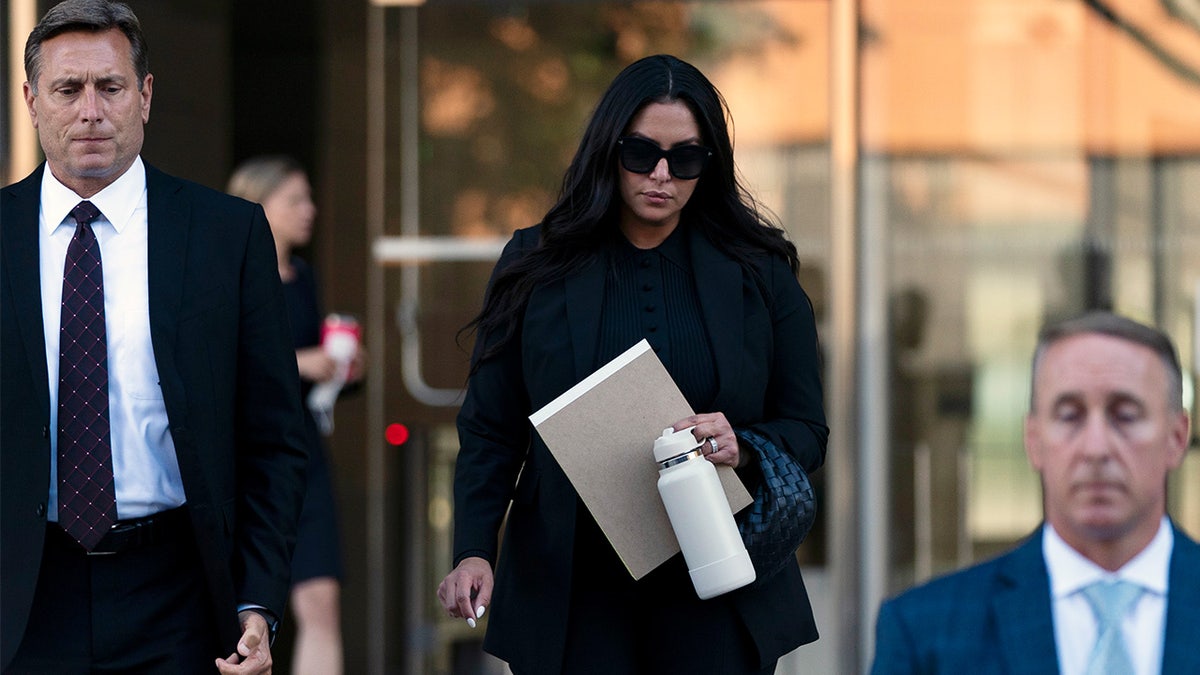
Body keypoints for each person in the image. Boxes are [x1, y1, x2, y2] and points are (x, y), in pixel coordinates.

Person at [436, 54, 828, 674]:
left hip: (715, 583)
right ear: (608, 149)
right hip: (573, 588)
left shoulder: (761, 273)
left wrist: (744, 444)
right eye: (641, 153)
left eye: (687, 159)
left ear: (712, 164)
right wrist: (474, 549)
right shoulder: (534, 264)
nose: (662, 175)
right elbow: (491, 428)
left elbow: (807, 430)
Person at [1, 2, 309, 673]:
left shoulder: (227, 235)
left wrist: (257, 599)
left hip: (179, 595)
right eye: (66, 89)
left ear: (144, 94)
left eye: (110, 87)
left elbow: (275, 437)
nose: (89, 110)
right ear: (29, 99)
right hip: (20, 598)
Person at [871, 311, 1200, 674]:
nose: (1096, 448)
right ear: (1034, 440)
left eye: (1125, 414)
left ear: (1177, 437)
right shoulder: (923, 632)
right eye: (1069, 415)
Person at [227, 156, 360, 675]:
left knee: (322, 604)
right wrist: (301, 362)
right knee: (244, 617)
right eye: (296, 200)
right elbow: (220, 367)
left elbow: (305, 375)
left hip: (303, 457)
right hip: (243, 460)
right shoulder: (228, 275)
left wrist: (345, 370)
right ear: (258, 205)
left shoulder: (302, 275)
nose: (311, 210)